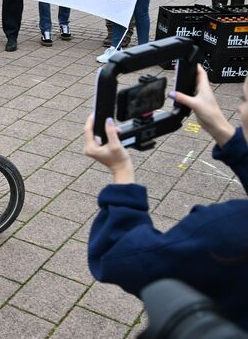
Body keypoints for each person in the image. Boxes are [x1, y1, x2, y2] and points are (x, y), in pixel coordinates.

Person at [83, 66, 248, 331]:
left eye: (243, 100)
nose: (238, 109)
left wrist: (122, 172)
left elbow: (121, 257)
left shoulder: (227, 233)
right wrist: (222, 130)